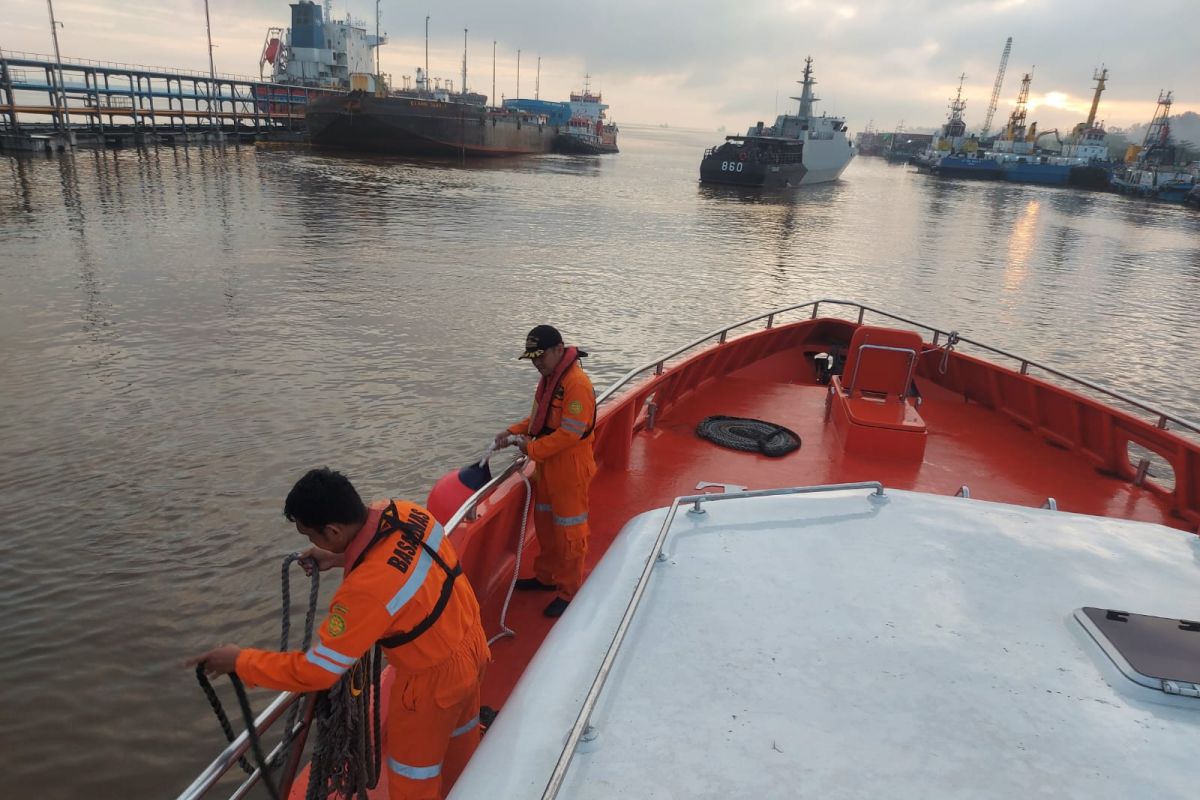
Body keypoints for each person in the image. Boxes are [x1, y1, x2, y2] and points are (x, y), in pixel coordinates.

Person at [187, 468, 490, 800]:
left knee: (413, 778)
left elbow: (317, 670)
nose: (310, 542)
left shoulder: (363, 593)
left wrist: (241, 661)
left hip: (432, 683)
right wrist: (339, 555)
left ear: (332, 530)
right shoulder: (405, 511)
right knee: (462, 741)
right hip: (471, 644)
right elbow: (394, 553)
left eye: (311, 536)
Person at [493, 324, 597, 618]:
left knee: (570, 531)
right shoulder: (552, 380)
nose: (537, 363)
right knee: (547, 526)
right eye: (532, 358)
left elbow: (570, 433)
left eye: (541, 356)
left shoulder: (576, 384)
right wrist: (511, 431)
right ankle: (546, 577)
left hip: (570, 470)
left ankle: (569, 591)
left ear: (558, 350)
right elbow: (539, 419)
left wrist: (531, 450)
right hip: (548, 467)